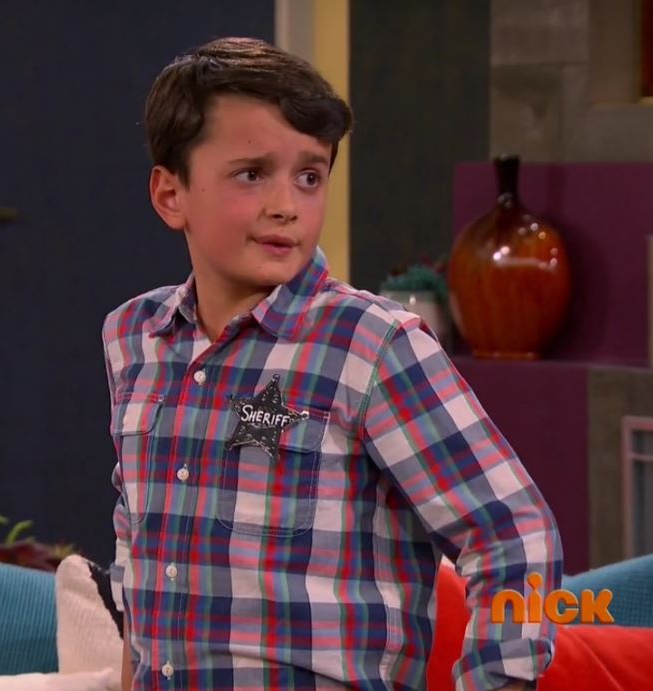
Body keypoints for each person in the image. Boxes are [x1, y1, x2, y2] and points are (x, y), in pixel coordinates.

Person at [103, 36, 562, 691]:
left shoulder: (371, 346)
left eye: (310, 176)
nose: (286, 205)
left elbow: (516, 536)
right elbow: (138, 548)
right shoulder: (133, 338)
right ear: (170, 194)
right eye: (252, 173)